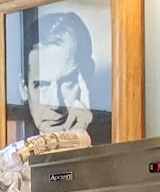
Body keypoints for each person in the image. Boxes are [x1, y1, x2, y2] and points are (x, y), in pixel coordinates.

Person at [17, 9, 110, 142]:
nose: (55, 104)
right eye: (43, 85)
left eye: (68, 82)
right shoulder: (10, 155)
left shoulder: (115, 139)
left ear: (87, 76)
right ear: (23, 88)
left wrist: (78, 140)